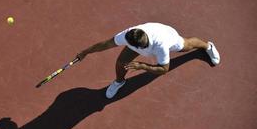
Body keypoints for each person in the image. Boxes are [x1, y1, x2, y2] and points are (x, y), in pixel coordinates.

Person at [77, 22, 220, 99]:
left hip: (168, 35)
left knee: (188, 45)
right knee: (121, 62)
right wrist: (85, 52)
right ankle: (119, 82)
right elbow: (106, 44)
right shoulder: (128, 35)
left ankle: (208, 46)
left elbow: (164, 69)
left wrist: (142, 66)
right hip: (143, 41)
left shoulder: (161, 45)